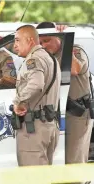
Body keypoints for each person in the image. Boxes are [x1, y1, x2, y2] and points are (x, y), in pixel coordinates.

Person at [36, 22, 93, 165]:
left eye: (47, 40)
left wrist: (68, 41)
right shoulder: (45, 55)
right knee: (59, 158)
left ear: (59, 37)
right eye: (40, 42)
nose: (43, 45)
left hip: (77, 113)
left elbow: (74, 69)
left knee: (74, 158)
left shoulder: (75, 50)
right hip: (56, 113)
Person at [12, 25, 61, 166]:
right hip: (48, 124)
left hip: (34, 127)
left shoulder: (32, 60)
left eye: (17, 40)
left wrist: (18, 101)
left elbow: (36, 84)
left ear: (30, 40)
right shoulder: (50, 58)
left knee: (32, 176)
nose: (15, 45)